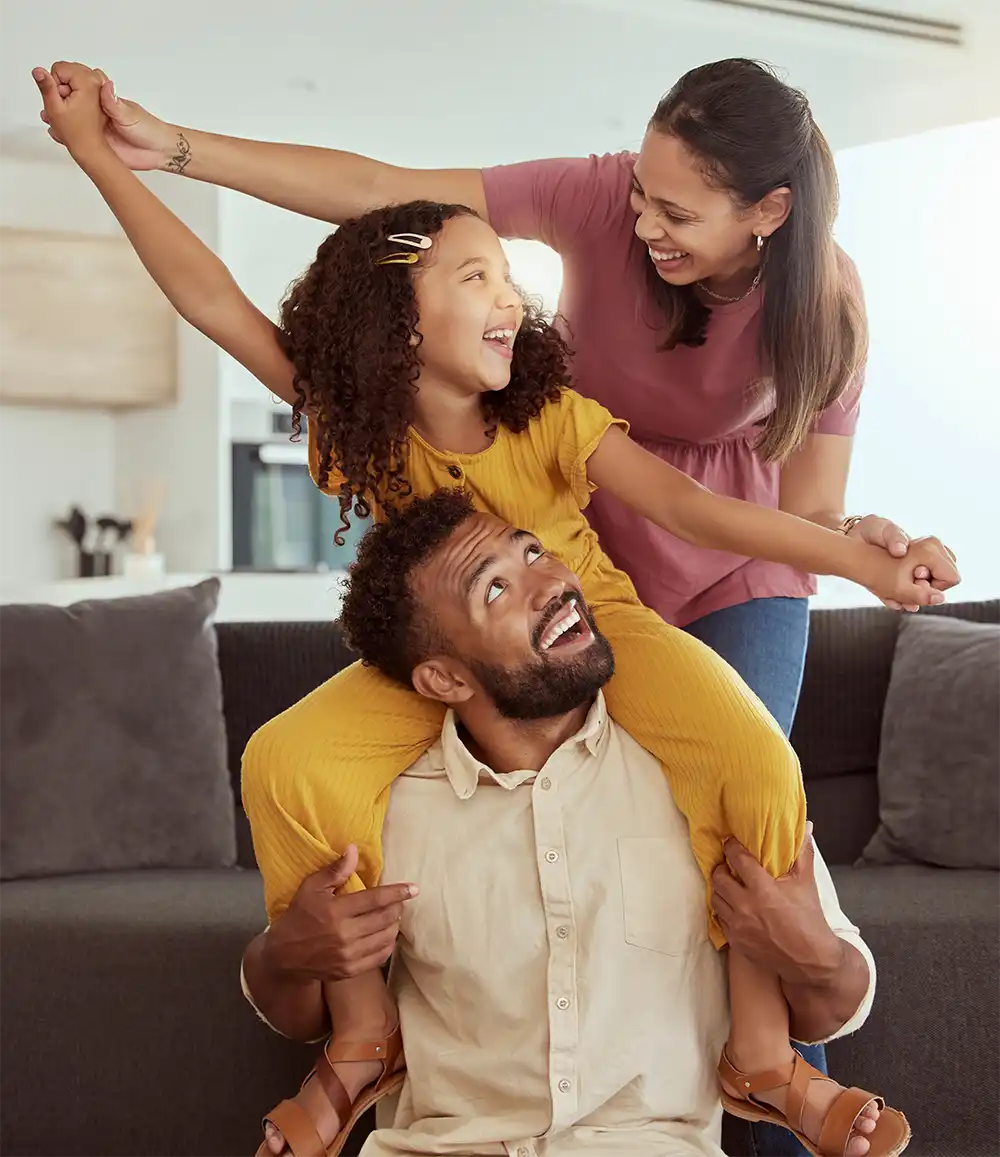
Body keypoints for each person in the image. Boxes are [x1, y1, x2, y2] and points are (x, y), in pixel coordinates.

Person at [36, 56, 956, 1154]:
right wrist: (107, 153)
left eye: (500, 273)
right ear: (396, 326)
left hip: (605, 616)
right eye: (474, 278)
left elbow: (695, 512)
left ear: (766, 214)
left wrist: (857, 563)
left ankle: (761, 1053)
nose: (511, 293)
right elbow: (212, 297)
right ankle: (362, 1040)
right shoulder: (358, 425)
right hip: (437, 648)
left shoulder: (553, 416)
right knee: (284, 762)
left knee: (753, 759)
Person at [241, 488, 909, 1157]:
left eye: (533, 551)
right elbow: (299, 1012)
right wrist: (284, 956)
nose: (551, 583)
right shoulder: (381, 806)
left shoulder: (705, 772)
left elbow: (832, 1004)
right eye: (497, 588)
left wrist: (814, 952)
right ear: (444, 679)